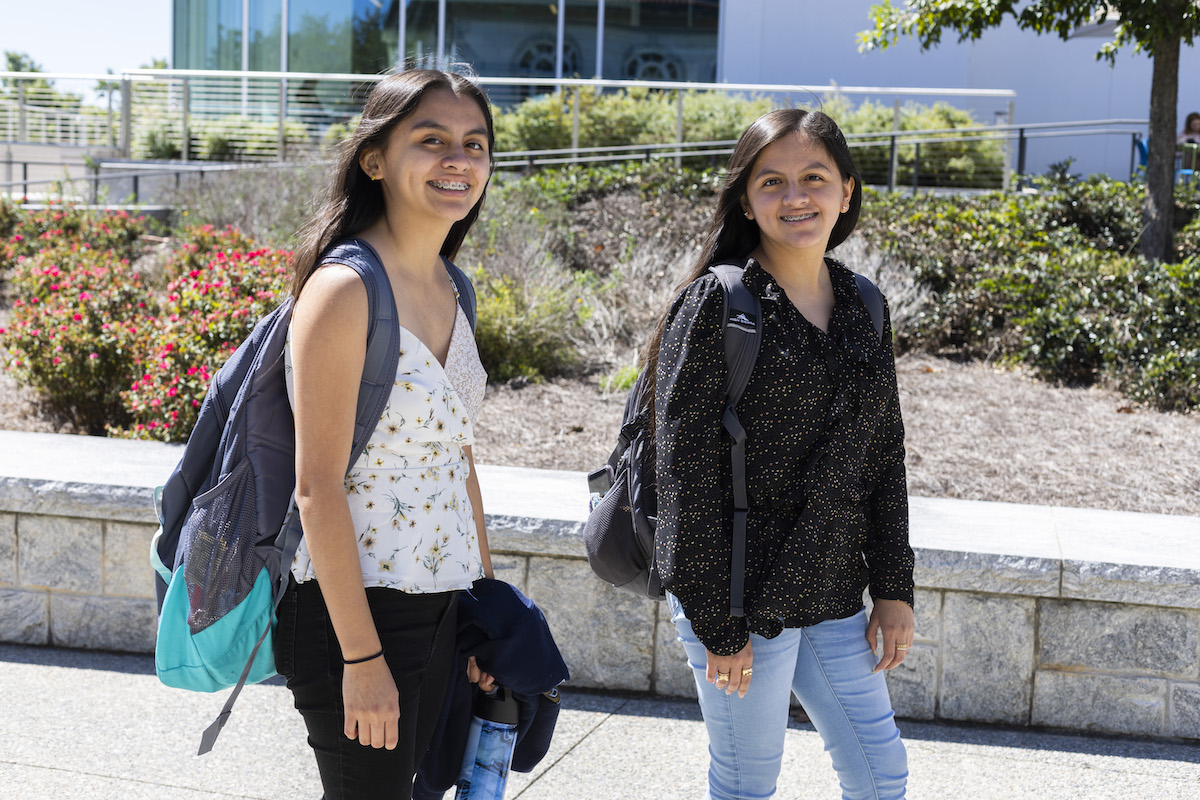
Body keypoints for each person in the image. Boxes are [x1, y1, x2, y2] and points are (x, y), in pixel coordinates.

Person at [646, 108, 914, 800]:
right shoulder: (718, 304)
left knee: (881, 773)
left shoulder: (864, 304)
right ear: (745, 198)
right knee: (746, 784)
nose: (795, 198)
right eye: (772, 182)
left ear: (847, 190)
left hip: (829, 586)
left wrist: (893, 587)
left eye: (814, 178)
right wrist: (715, 624)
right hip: (738, 594)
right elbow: (683, 475)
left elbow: (883, 456)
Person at [274, 68, 497, 800]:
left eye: (474, 143)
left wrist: (485, 607)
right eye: (430, 140)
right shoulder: (345, 289)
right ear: (376, 158)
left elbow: (459, 458)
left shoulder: (451, 284)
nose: (457, 160)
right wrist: (361, 658)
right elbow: (317, 489)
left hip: (440, 604)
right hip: (356, 614)